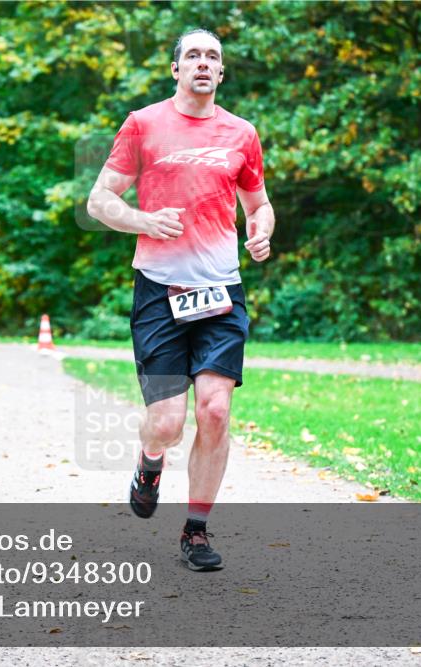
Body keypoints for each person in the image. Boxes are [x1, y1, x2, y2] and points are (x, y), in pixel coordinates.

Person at [87, 29, 274, 571]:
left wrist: (261, 230)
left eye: (212, 57)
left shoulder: (242, 133)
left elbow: (259, 204)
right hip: (159, 291)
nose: (202, 64)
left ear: (221, 73)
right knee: (167, 423)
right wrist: (144, 220)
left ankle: (196, 530)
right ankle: (150, 464)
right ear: (175, 69)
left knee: (215, 410)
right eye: (192, 55)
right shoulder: (143, 124)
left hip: (221, 291)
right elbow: (100, 200)